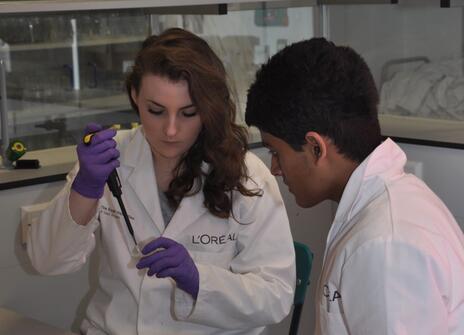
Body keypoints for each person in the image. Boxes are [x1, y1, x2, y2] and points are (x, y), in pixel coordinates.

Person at [27, 28, 295, 335]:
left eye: (188, 113)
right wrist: (85, 188)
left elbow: (275, 296)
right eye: (156, 111)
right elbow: (46, 261)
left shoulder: (247, 176)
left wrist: (199, 281)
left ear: (208, 108)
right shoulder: (108, 161)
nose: (170, 130)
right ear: (134, 97)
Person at [245, 37, 464, 334]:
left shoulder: (384, 244)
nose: (274, 169)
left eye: (275, 152)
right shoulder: (384, 206)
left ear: (315, 148)